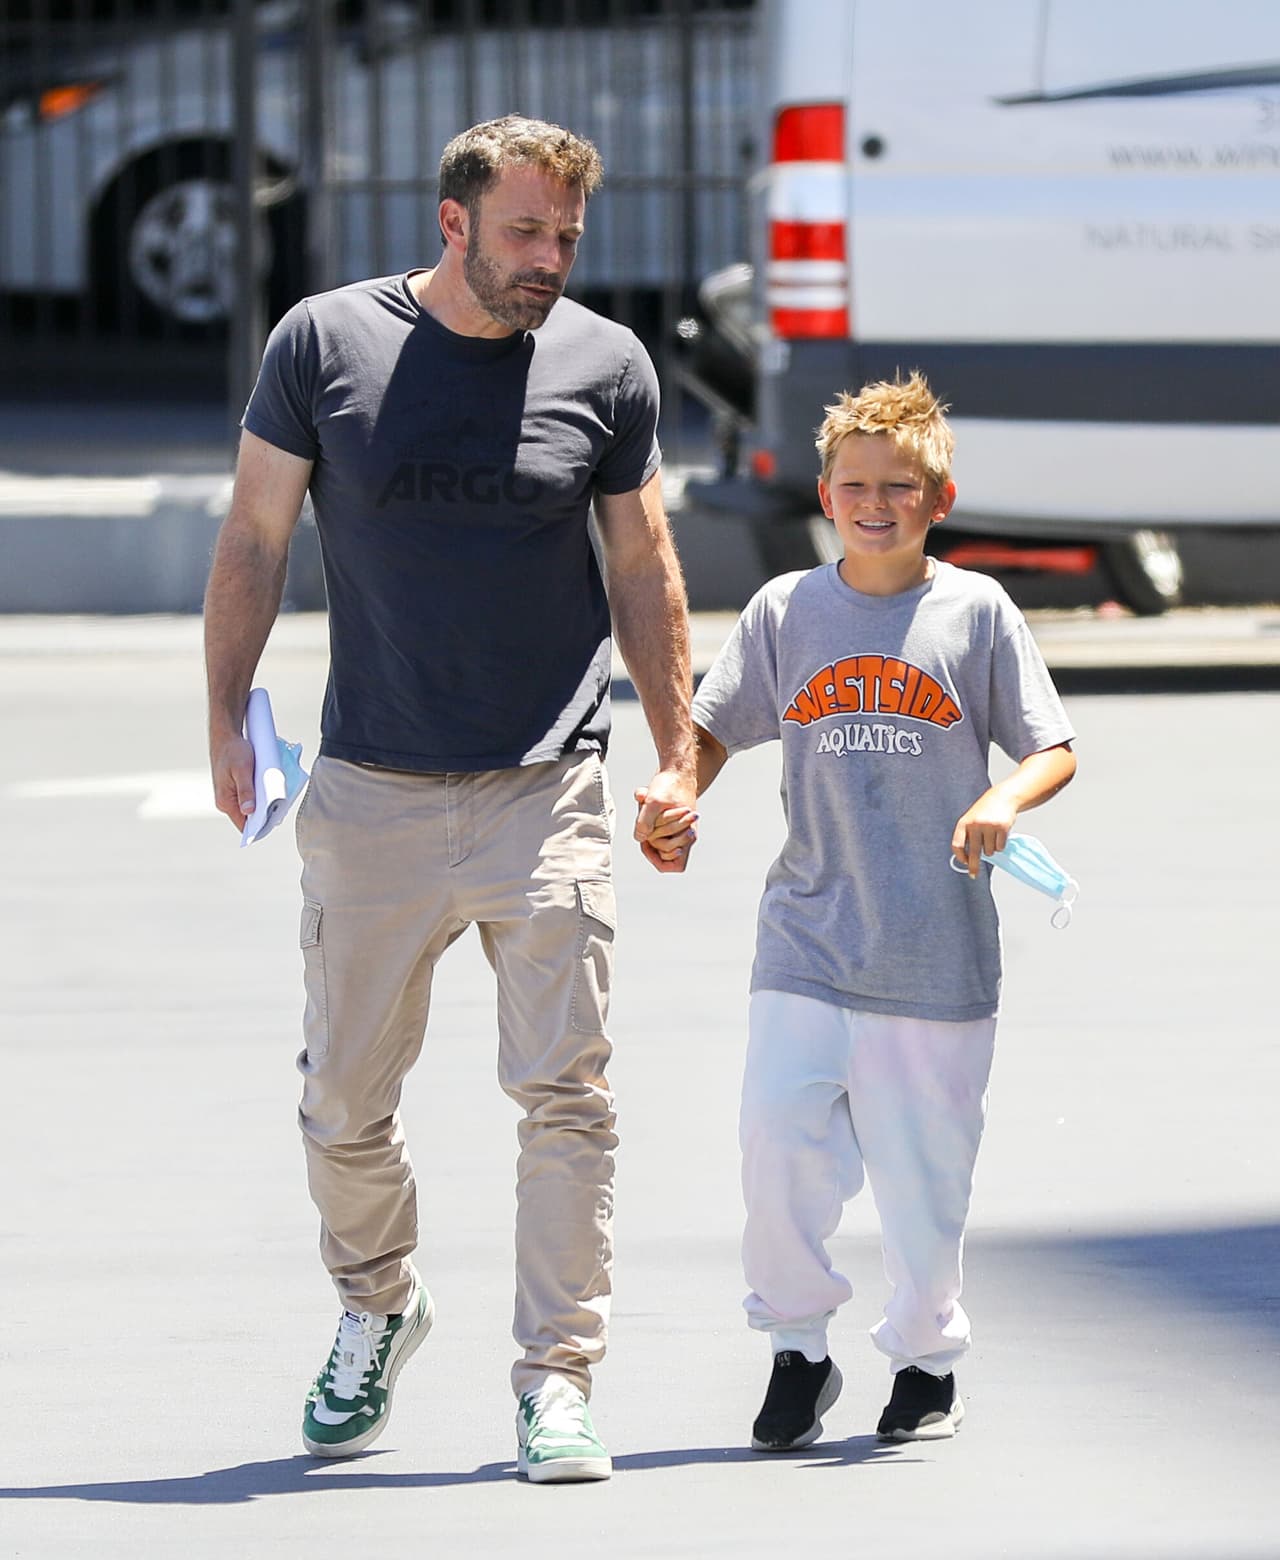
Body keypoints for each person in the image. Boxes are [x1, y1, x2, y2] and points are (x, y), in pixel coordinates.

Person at [203, 114, 696, 1484]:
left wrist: (677, 752)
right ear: (455, 222)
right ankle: (378, 1302)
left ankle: (559, 1380)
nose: (549, 259)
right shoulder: (324, 345)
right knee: (341, 1106)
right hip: (372, 788)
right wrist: (224, 716)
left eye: (567, 238)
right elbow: (254, 534)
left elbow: (642, 563)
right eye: (526, 232)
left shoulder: (606, 365)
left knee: (567, 1098)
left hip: (547, 786)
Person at [643, 372, 1076, 1450]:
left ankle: (925, 1365)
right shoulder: (786, 609)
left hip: (934, 955)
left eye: (898, 486)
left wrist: (999, 799)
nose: (874, 504)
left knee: (924, 1185)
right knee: (775, 1151)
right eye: (854, 485)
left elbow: (1050, 748)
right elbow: (712, 729)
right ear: (823, 495)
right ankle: (796, 1349)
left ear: (940, 498)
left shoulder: (974, 612)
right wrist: (676, 790)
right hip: (806, 935)